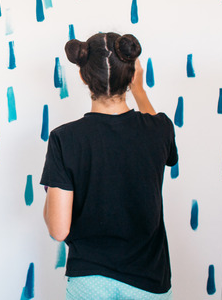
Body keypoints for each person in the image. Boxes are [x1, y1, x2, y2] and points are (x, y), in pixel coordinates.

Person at [40, 32, 178, 300]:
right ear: (132, 75)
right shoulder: (160, 129)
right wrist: (139, 90)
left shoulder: (63, 139)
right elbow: (155, 130)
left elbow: (58, 230)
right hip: (150, 280)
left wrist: (52, 189)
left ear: (82, 77)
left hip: (89, 281)